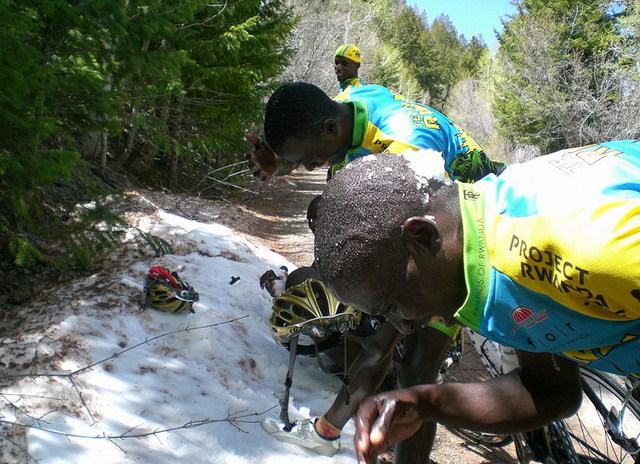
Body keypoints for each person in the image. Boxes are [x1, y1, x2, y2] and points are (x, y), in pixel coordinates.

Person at [310, 141, 640, 464]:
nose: (405, 325)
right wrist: (424, 404)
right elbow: (550, 388)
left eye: (392, 304)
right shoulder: (482, 250)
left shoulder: (593, 249)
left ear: (423, 238)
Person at [256, 81, 505, 462]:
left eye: (309, 160)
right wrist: (284, 167)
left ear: (330, 130)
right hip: (432, 225)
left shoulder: (405, 146)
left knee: (414, 365)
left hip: (468, 240)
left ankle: (363, 440)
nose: (310, 167)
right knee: (378, 332)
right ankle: (330, 428)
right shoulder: (345, 106)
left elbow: (412, 242)